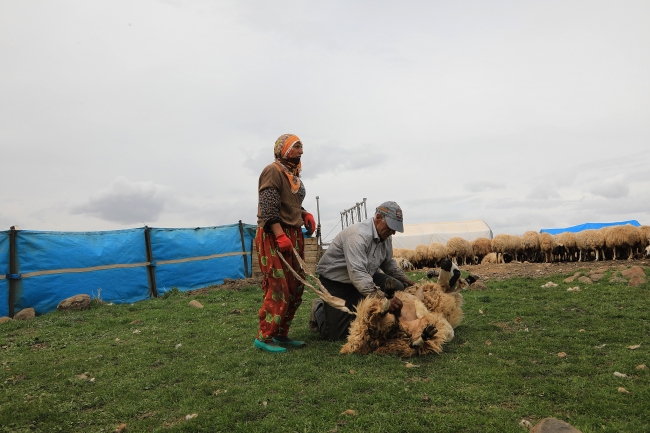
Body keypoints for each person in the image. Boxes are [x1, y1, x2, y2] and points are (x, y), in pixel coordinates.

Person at [310, 201, 415, 341]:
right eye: (391, 226)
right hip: (337, 283)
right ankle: (319, 309)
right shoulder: (358, 236)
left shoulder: (386, 237)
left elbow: (388, 263)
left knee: (398, 286)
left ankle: (367, 309)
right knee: (337, 335)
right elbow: (358, 274)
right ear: (378, 218)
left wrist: (409, 282)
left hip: (365, 278)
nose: (393, 232)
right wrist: (383, 298)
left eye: (395, 228)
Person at [254, 133, 316, 353]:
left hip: (293, 233)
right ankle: (265, 335)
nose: (301, 151)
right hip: (274, 234)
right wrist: (280, 235)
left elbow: (289, 204)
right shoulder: (273, 171)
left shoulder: (293, 175)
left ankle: (281, 333)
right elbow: (269, 208)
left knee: (295, 286)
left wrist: (305, 214)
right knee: (278, 286)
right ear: (284, 149)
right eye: (297, 146)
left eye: (302, 146)